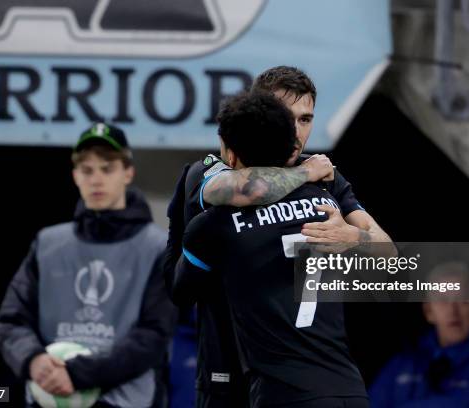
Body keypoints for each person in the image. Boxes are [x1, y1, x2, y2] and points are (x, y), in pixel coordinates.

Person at [163, 65, 391, 407]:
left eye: (306, 119)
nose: (296, 132)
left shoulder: (326, 179)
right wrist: (304, 172)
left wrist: (352, 237)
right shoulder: (211, 172)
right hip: (227, 374)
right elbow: (246, 190)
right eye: (286, 117)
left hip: (287, 381)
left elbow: (390, 256)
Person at [0, 123, 176, 408]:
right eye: (87, 170)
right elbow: (12, 321)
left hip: (124, 401)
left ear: (128, 172)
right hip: (50, 397)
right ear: (75, 175)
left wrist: (77, 374)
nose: (96, 180)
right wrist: (33, 361)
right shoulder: (47, 243)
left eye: (107, 169)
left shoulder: (158, 246)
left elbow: (154, 335)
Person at [368, 261, 469, 408]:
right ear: (429, 311)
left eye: (463, 300)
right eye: (442, 300)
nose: (452, 311)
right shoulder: (402, 363)